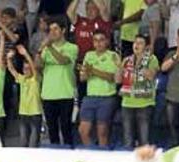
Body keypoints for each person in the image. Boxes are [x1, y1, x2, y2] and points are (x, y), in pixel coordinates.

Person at [37, 17, 78, 146]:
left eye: (55, 29)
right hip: (48, 94)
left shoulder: (72, 47)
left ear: (63, 30)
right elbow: (38, 66)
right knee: (52, 131)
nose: (52, 32)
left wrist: (49, 47)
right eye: (50, 30)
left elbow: (64, 61)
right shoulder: (46, 49)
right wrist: (39, 50)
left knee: (66, 129)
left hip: (65, 93)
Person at [78, 30, 120, 146]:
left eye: (101, 40)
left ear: (106, 41)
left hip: (106, 97)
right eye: (95, 40)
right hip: (90, 96)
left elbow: (112, 77)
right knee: (83, 131)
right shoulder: (88, 55)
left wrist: (93, 71)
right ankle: (92, 153)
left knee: (102, 132)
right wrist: (88, 72)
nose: (98, 43)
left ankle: (103, 158)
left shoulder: (113, 56)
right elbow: (83, 77)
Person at [118, 34, 159, 148]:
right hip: (127, 103)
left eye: (140, 43)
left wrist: (138, 66)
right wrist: (119, 67)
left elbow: (151, 75)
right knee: (128, 140)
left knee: (144, 140)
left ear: (146, 47)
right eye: (135, 42)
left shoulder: (151, 58)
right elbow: (117, 80)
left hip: (144, 103)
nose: (136, 45)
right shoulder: (126, 60)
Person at [7, 44, 42, 147]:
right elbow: (11, 69)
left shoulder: (36, 79)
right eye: (24, 68)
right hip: (23, 113)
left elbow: (34, 68)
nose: (26, 70)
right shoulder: (22, 79)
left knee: (34, 143)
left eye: (28, 68)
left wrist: (26, 54)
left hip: (35, 114)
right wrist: (9, 58)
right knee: (23, 142)